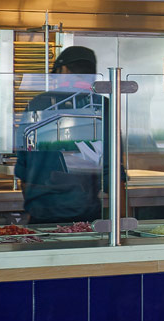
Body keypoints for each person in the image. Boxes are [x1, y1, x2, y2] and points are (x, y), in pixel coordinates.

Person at [14, 46, 108, 224]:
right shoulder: (102, 106)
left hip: (43, 213)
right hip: (87, 213)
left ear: (64, 70)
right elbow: (113, 168)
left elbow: (23, 165)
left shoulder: (37, 104)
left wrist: (34, 206)